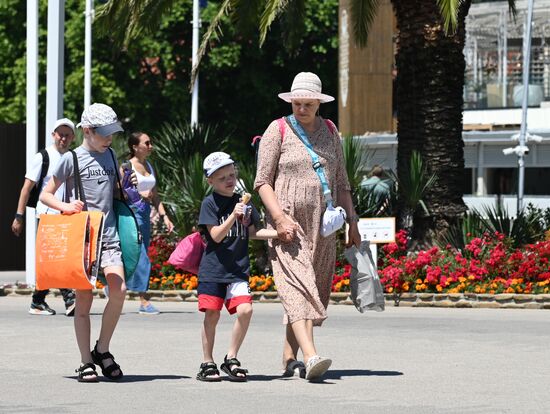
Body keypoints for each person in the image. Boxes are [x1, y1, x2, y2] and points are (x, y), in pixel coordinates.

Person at [254, 72, 361, 381]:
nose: (302, 109)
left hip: (323, 226)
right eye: (297, 103)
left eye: (308, 104)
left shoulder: (330, 131)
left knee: (313, 289)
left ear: (318, 103)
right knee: (298, 286)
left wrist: (353, 222)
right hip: (287, 223)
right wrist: (279, 218)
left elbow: (341, 181)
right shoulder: (278, 130)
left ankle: (289, 358)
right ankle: (312, 357)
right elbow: (262, 181)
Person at [40, 103, 132, 382]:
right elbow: (46, 195)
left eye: (112, 134)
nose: (110, 139)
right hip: (83, 238)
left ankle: (101, 349)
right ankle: (85, 362)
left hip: (110, 233)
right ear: (88, 131)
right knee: (84, 300)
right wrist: (66, 206)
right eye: (104, 134)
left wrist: (126, 184)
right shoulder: (71, 158)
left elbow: (115, 194)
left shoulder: (111, 155)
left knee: (119, 290)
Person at [196, 151, 277, 382]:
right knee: (212, 315)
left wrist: (279, 234)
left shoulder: (246, 203)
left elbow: (253, 232)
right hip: (213, 271)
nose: (229, 181)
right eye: (222, 178)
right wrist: (233, 215)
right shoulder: (209, 204)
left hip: (238, 270)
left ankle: (231, 357)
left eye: (232, 175)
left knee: (246, 310)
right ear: (210, 181)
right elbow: (216, 236)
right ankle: (207, 362)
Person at [12, 118, 77, 316]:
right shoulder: (43, 157)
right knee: (58, 258)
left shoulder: (73, 157)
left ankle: (38, 301)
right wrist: (19, 216)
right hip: (47, 214)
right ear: (53, 135)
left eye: (67, 135)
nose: (63, 138)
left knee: (54, 259)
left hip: (67, 214)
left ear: (73, 137)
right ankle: (69, 299)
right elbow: (26, 188)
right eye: (60, 134)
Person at [123, 132, 174, 315]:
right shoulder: (127, 167)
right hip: (132, 213)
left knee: (136, 254)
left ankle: (113, 284)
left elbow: (156, 195)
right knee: (142, 255)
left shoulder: (149, 165)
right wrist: (138, 194)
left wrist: (165, 216)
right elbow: (120, 191)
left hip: (145, 215)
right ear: (135, 146)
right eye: (147, 143)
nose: (151, 146)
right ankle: (144, 301)